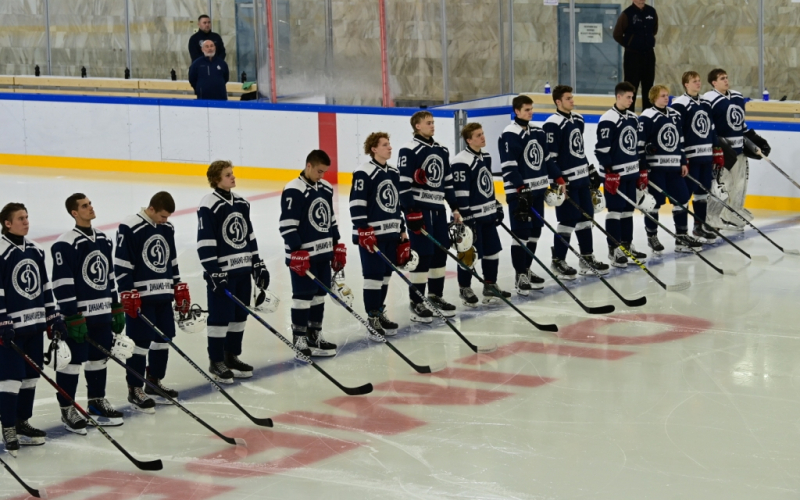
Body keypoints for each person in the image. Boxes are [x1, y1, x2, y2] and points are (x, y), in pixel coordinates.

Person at [51, 194, 126, 434]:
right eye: (84, 206)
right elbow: (62, 283)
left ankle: (96, 402)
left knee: (99, 359)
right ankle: (67, 409)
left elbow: (109, 275)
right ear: (74, 213)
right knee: (72, 364)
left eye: (90, 204)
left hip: (102, 313)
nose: (90, 208)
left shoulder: (103, 239)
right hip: (79, 318)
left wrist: (116, 306)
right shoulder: (65, 244)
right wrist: (71, 315)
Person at [0, 203, 66, 455]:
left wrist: (53, 315)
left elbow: (44, 286)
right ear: (7, 223)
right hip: (11, 330)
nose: (26, 222)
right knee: (10, 379)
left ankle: (21, 421)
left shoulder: (36, 250)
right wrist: (2, 320)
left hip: (35, 325)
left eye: (27, 217)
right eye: (20, 218)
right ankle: (8, 426)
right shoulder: (1, 251)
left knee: (30, 377)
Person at [115, 192, 187, 412]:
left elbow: (171, 260)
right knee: (140, 343)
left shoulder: (167, 228)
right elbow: (122, 263)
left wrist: (177, 285)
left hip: (163, 294)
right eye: (163, 216)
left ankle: (154, 381)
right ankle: (135, 388)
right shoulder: (130, 226)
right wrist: (127, 292)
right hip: (141, 298)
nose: (165, 220)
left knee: (164, 338)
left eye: (168, 217)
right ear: (152, 209)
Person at [198, 161, 267, 381]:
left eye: (232, 174)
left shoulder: (241, 203)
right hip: (223, 274)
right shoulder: (209, 204)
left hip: (243, 271)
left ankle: (231, 356)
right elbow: (205, 242)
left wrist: (257, 264)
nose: (233, 177)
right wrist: (213, 271)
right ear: (216, 179)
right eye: (228, 175)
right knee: (220, 318)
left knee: (239, 316)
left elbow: (249, 235)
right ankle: (216, 361)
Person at [398, 111, 462, 322]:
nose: (433, 125)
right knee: (422, 255)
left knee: (440, 252)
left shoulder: (442, 150)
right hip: (419, 211)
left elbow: (448, 182)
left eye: (433, 122)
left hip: (438, 209)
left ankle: (435, 296)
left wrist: (454, 208)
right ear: (417, 126)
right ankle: (416, 301)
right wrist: (410, 210)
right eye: (428, 123)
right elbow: (403, 184)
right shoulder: (409, 149)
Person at [280, 150, 341, 358]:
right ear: (308, 166)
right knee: (302, 297)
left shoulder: (325, 188)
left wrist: (336, 243)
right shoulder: (294, 190)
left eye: (324, 172)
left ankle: (315, 335)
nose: (321, 176)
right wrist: (297, 252)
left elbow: (330, 218)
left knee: (319, 296)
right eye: (318, 171)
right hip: (303, 257)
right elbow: (287, 225)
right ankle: (299, 337)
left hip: (323, 253)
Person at [543, 85, 609, 278]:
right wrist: (558, 181)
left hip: (582, 179)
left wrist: (589, 169)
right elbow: (550, 158)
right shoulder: (552, 124)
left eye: (572, 97)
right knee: (568, 220)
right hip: (566, 182)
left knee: (586, 217)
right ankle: (558, 261)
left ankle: (586, 258)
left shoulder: (578, 120)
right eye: (568, 98)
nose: (572, 101)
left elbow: (578, 149)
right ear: (558, 102)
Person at [349, 133, 408, 336]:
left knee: (385, 277)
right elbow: (356, 202)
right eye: (385, 145)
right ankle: (372, 317)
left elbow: (396, 203)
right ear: (374, 149)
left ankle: (380, 312)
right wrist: (362, 228)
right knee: (373, 277)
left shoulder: (393, 172)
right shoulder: (363, 172)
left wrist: (402, 228)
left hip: (391, 234)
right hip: (371, 236)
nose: (390, 148)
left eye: (389, 144)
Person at [499, 94, 558, 292]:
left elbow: (546, 160)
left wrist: (558, 177)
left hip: (538, 192)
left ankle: (526, 268)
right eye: (526, 110)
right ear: (516, 111)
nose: (530, 112)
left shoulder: (538, 132)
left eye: (531, 109)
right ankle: (520, 275)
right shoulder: (509, 134)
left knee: (535, 232)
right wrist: (520, 187)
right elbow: (509, 167)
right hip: (520, 194)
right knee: (521, 233)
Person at [702, 69, 771, 230]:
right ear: (714, 83)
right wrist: (716, 145)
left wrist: (754, 139)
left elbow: (741, 124)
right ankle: (713, 217)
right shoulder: (709, 99)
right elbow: (707, 126)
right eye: (722, 78)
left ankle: (731, 214)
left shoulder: (737, 97)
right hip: (723, 153)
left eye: (726, 77)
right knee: (722, 186)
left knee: (739, 185)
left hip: (739, 151)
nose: (726, 80)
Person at [638, 85, 703, 254]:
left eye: (667, 95)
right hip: (656, 169)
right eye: (663, 96)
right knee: (654, 204)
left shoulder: (675, 115)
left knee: (682, 199)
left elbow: (680, 140)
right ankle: (652, 236)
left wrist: (683, 161)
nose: (667, 98)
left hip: (674, 168)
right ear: (654, 98)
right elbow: (640, 144)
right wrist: (644, 166)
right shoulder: (647, 117)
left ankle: (681, 237)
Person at [452, 123, 510, 306]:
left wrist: (496, 205)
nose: (483, 137)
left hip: (488, 215)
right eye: (478, 135)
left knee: (492, 251)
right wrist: (466, 217)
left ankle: (490, 285)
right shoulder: (461, 161)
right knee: (468, 254)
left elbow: (487, 184)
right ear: (469, 140)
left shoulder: (486, 156)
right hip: (471, 218)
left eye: (483, 133)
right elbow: (461, 192)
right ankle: (465, 288)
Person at [595, 82, 648, 267]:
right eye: (628, 97)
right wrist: (609, 172)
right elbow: (601, 150)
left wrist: (642, 170)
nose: (631, 100)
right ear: (618, 96)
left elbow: (637, 147)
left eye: (632, 97)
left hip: (631, 173)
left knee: (627, 211)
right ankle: (614, 249)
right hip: (615, 176)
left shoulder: (633, 118)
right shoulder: (608, 119)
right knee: (615, 211)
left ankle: (626, 245)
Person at [670, 71, 719, 243]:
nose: (698, 83)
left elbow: (711, 127)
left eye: (699, 80)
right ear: (686, 84)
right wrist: (682, 156)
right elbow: (677, 132)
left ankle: (699, 226)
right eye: (694, 81)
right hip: (690, 158)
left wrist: (716, 149)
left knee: (702, 193)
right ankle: (681, 232)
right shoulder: (679, 104)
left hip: (706, 155)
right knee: (684, 195)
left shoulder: (705, 102)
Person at [613, 0, 658, 112]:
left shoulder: (651, 12)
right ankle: (629, 114)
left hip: (648, 54)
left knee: (648, 85)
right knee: (631, 86)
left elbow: (654, 30)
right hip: (632, 56)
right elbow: (617, 34)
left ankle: (647, 114)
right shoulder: (627, 14)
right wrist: (629, 44)